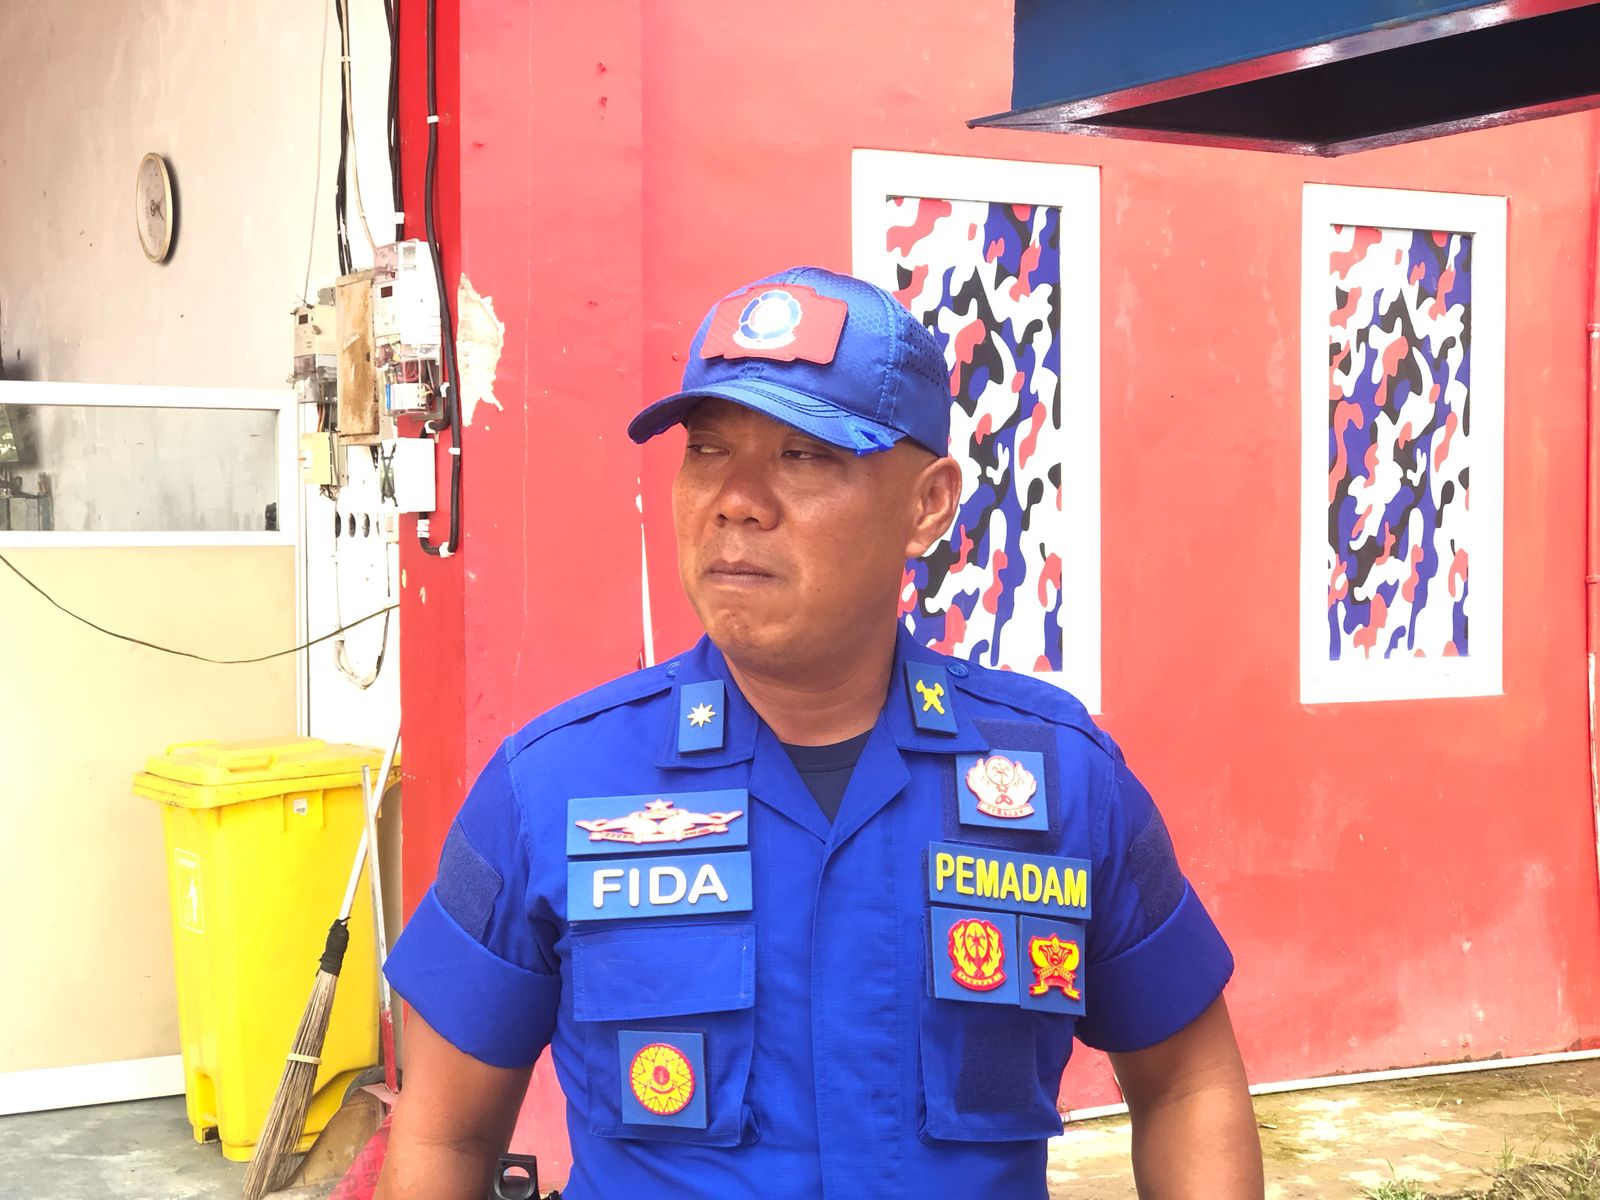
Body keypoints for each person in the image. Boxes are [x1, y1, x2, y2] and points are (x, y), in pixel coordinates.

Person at [377, 267, 1264, 1199]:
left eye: (804, 455)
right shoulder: (552, 787)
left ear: (927, 505)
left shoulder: (1060, 778)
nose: (736, 499)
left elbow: (1189, 1086)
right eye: (708, 450)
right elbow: (444, 1139)